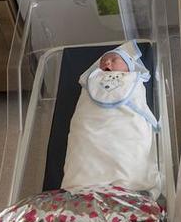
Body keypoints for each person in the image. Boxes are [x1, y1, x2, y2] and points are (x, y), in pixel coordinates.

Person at [62, 40, 159, 193]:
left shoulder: (133, 80)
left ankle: (128, 183)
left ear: (129, 66)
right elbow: (82, 110)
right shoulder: (91, 82)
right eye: (103, 61)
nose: (107, 62)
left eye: (114, 59)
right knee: (83, 147)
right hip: (90, 125)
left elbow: (140, 104)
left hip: (124, 127)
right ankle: (82, 182)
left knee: (129, 152)